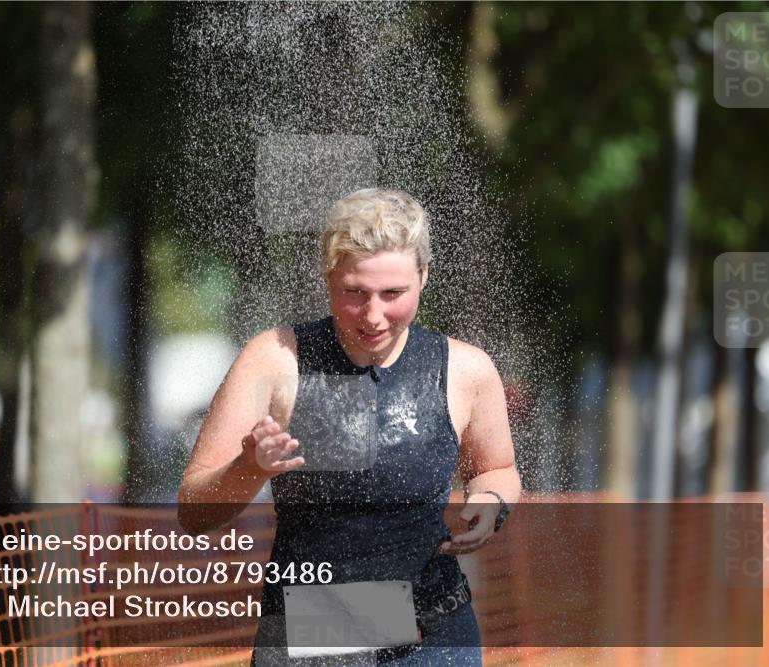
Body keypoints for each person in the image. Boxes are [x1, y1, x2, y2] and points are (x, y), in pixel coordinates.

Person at [178, 188, 521, 666]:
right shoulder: (275, 360)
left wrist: (491, 502)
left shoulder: (466, 370)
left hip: (437, 634)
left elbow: (496, 467)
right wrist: (249, 467)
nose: (374, 316)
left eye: (393, 294)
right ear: (328, 276)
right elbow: (194, 510)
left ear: (424, 275)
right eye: (355, 293)